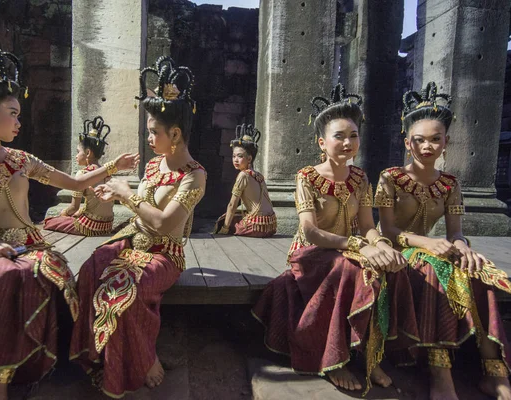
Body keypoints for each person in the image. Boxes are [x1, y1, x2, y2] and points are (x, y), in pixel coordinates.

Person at [0, 41, 138, 400]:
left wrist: (114, 167)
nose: (19, 121)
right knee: (3, 274)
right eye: (13, 113)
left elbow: (76, 183)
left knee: (27, 272)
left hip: (31, 248)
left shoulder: (21, 159)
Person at [252, 84, 418, 394]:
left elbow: (368, 225)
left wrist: (380, 244)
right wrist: (358, 245)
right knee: (352, 270)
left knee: (390, 267)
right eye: (338, 136)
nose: (347, 142)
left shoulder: (360, 178)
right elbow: (311, 231)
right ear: (322, 142)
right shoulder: (307, 177)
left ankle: (372, 355)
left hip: (347, 249)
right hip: (311, 253)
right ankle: (335, 359)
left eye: (353, 135)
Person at [70, 56, 206, 398]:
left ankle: (144, 358)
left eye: (153, 132)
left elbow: (162, 223)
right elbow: (139, 208)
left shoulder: (195, 175)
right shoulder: (156, 163)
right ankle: (97, 356)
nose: (148, 138)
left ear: (175, 133)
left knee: (121, 293)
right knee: (90, 270)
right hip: (132, 239)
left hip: (165, 254)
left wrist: (125, 194)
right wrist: (113, 195)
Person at [375, 82, 511, 400]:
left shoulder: (450, 184)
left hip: (437, 249)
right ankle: (441, 373)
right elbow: (387, 230)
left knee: (483, 271)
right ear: (408, 143)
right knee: (437, 269)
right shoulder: (390, 178)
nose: (427, 147)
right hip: (399, 250)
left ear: (445, 143)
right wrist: (425, 242)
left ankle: (495, 371)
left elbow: (455, 233)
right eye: (419, 140)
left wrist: (462, 246)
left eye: (435, 139)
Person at [44, 116, 122, 236]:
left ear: (88, 153)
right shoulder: (107, 172)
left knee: (49, 222)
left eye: (78, 152)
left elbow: (73, 208)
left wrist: (62, 214)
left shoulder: (83, 174)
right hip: (106, 225)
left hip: (89, 226)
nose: (76, 156)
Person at [213, 124, 276, 237]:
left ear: (249, 159)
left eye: (240, 156)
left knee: (223, 220)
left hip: (257, 227)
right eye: (233, 156)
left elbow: (232, 204)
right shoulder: (259, 175)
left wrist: (225, 228)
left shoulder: (243, 175)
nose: (235, 160)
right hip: (271, 226)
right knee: (238, 214)